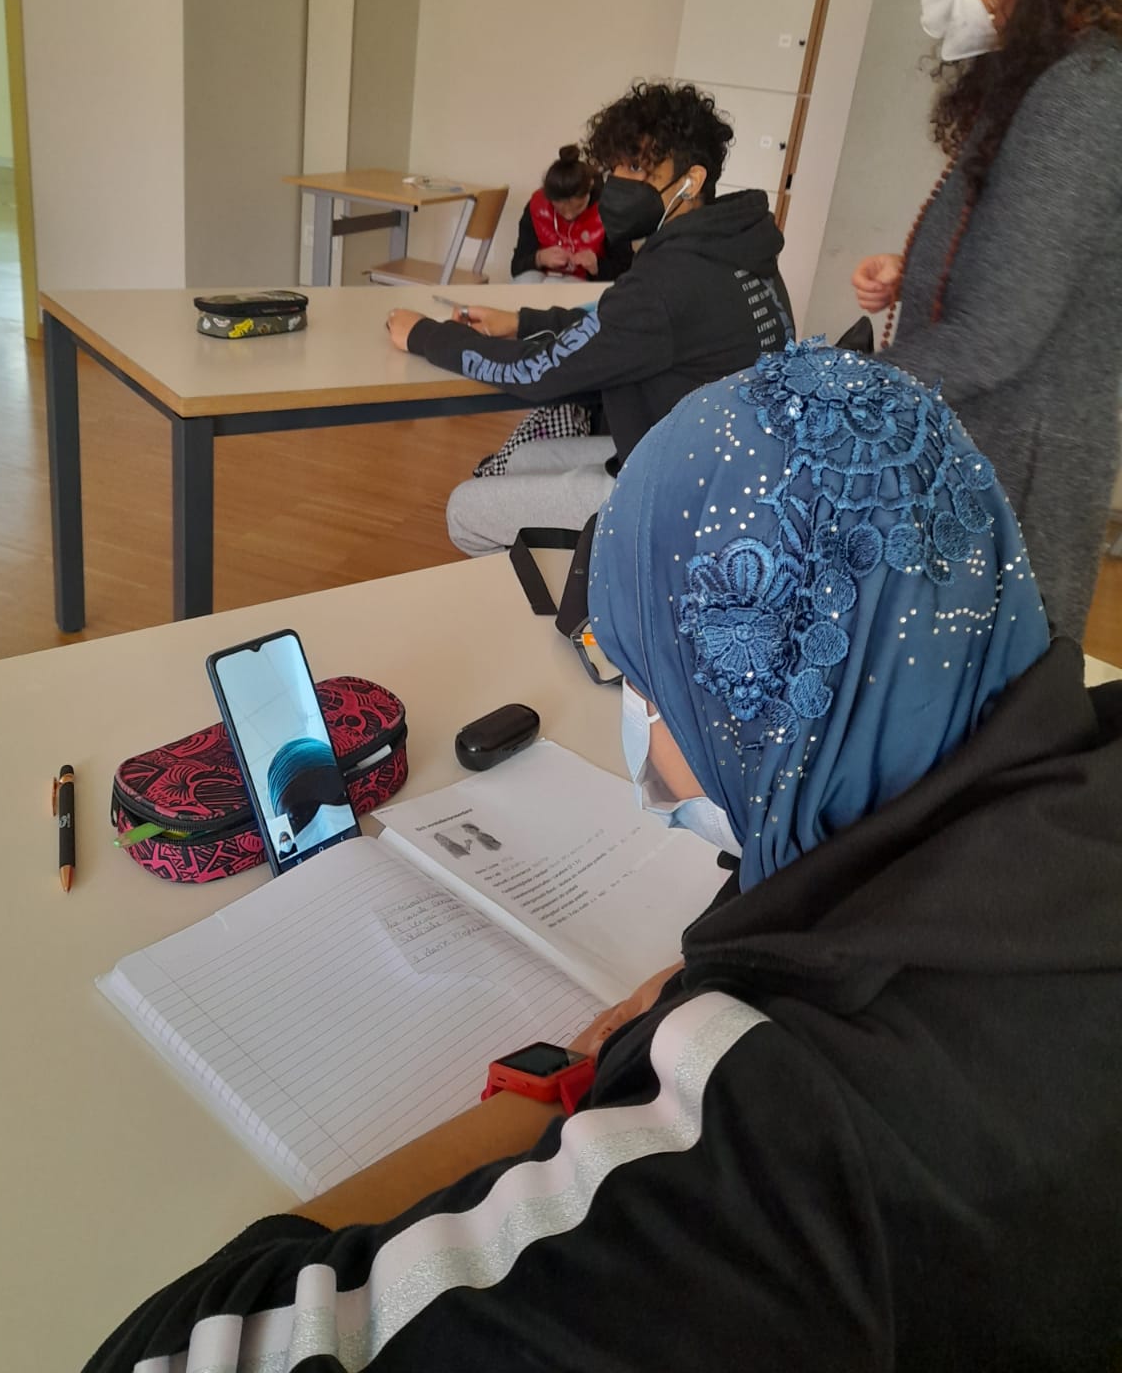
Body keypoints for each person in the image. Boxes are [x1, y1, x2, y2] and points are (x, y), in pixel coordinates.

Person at [85, 343, 1122, 1371]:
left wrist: (561, 1080)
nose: (638, 719)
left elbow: (170, 1351)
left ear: (750, 710)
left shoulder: (779, 1125)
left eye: (640, 680)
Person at [851, 0, 1122, 640]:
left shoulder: (1085, 91)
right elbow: (1034, 259)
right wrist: (920, 271)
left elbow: (996, 336)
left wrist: (824, 393)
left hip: (1007, 499)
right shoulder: (1058, 72)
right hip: (983, 473)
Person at [386, 80, 793, 557]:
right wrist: (520, 322)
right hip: (721, 475)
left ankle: (591, 596)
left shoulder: (669, 280)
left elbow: (535, 373)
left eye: (637, 167)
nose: (619, 181)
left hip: (679, 504)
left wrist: (424, 335)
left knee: (465, 510)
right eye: (616, 166)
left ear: (692, 180)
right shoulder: (736, 247)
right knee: (519, 459)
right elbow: (617, 329)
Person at [510, 143, 632, 283]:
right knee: (526, 279)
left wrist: (597, 266)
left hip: (587, 284)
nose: (569, 215)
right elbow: (516, 266)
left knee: (556, 284)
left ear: (590, 188)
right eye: (560, 209)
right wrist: (539, 258)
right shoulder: (537, 206)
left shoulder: (611, 209)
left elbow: (626, 268)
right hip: (542, 280)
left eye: (578, 207)